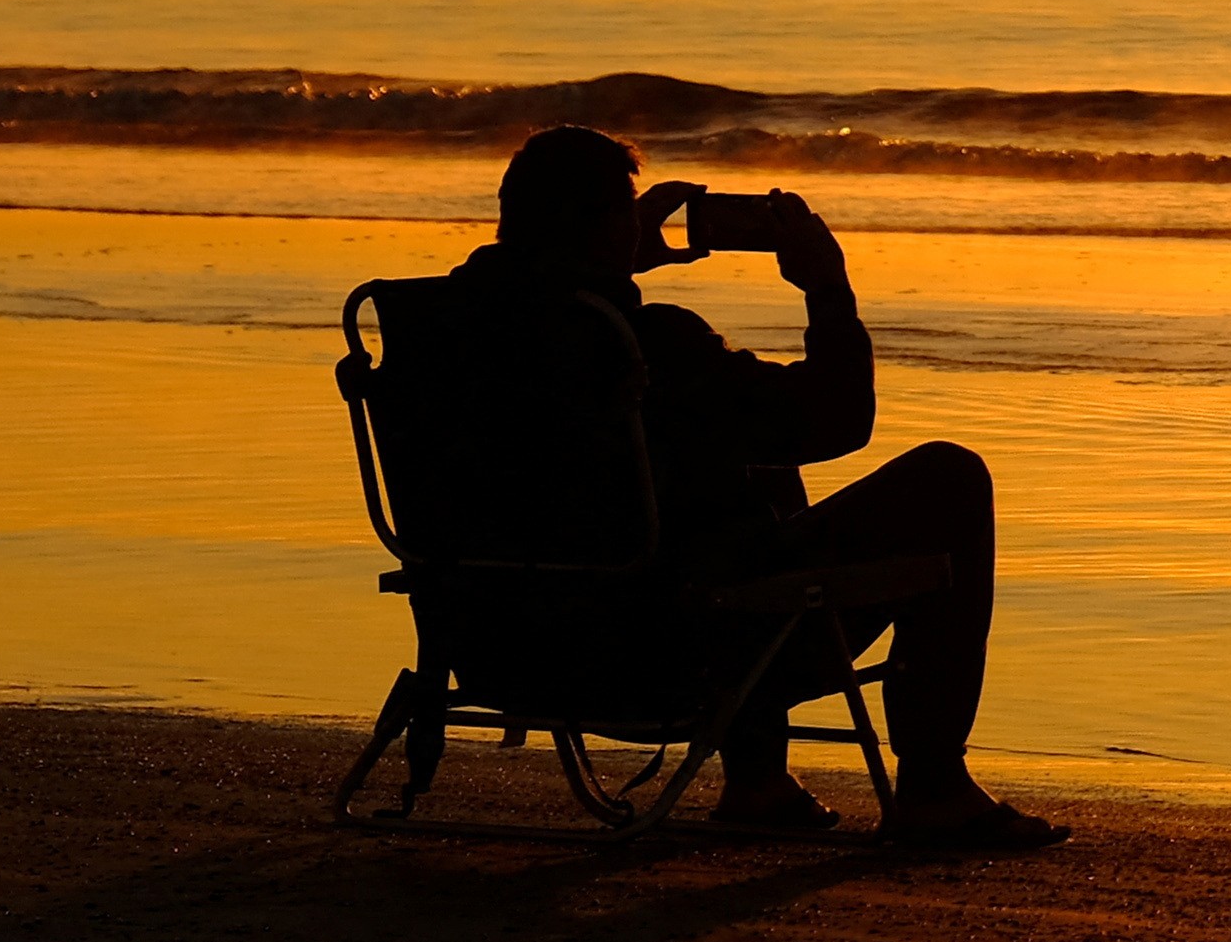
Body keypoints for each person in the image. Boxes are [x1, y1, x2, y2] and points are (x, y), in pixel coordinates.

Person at [444, 121, 1064, 851]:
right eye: (625, 213)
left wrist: (613, 269)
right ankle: (932, 783)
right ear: (608, 225)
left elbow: (542, 313)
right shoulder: (644, 344)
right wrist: (827, 289)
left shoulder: (445, 327)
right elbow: (836, 419)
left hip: (498, 643)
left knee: (745, 464)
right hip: (658, 656)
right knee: (948, 478)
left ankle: (759, 779)